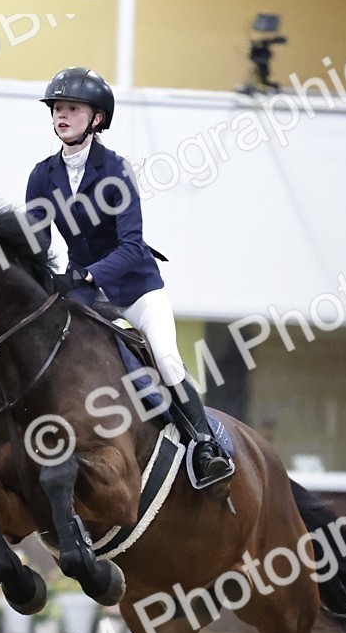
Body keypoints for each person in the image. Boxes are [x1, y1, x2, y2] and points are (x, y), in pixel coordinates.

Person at [25, 66, 233, 490]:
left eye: (72, 109)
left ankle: (205, 444)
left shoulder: (115, 169)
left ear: (96, 118)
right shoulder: (42, 176)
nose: (61, 116)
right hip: (84, 294)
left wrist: (85, 273)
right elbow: (36, 244)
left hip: (136, 289)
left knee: (167, 359)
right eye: (57, 109)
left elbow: (133, 245)